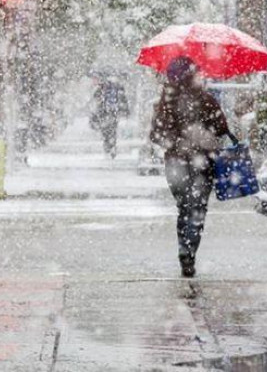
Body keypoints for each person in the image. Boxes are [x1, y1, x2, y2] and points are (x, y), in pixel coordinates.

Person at [149, 57, 235, 278]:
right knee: (196, 209)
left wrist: (176, 143)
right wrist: (200, 139)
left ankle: (184, 250)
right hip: (200, 165)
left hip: (175, 166)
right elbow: (222, 127)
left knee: (184, 209)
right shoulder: (206, 100)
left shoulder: (165, 103)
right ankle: (189, 252)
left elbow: (156, 135)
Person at [91, 78, 130, 158]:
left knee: (106, 131)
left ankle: (108, 146)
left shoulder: (102, 88)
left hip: (105, 113)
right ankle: (111, 146)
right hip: (112, 112)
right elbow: (123, 100)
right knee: (112, 130)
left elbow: (95, 98)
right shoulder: (117, 88)